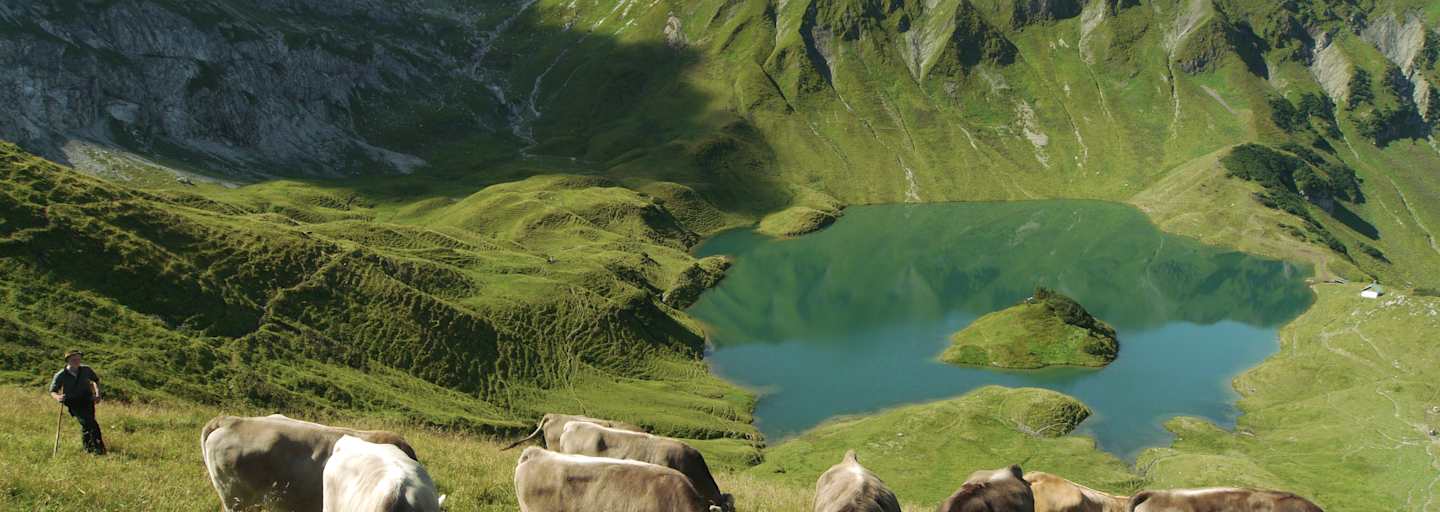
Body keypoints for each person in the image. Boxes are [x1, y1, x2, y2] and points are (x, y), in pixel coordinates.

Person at [49, 350, 105, 455]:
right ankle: (98, 449)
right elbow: (52, 391)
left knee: (89, 423)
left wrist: (98, 394)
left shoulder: (86, 370)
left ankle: (89, 448)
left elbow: (96, 380)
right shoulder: (61, 375)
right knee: (89, 422)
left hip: (87, 399)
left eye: (79, 359)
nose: (77, 361)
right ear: (68, 361)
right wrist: (58, 397)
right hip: (73, 402)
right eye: (74, 359)